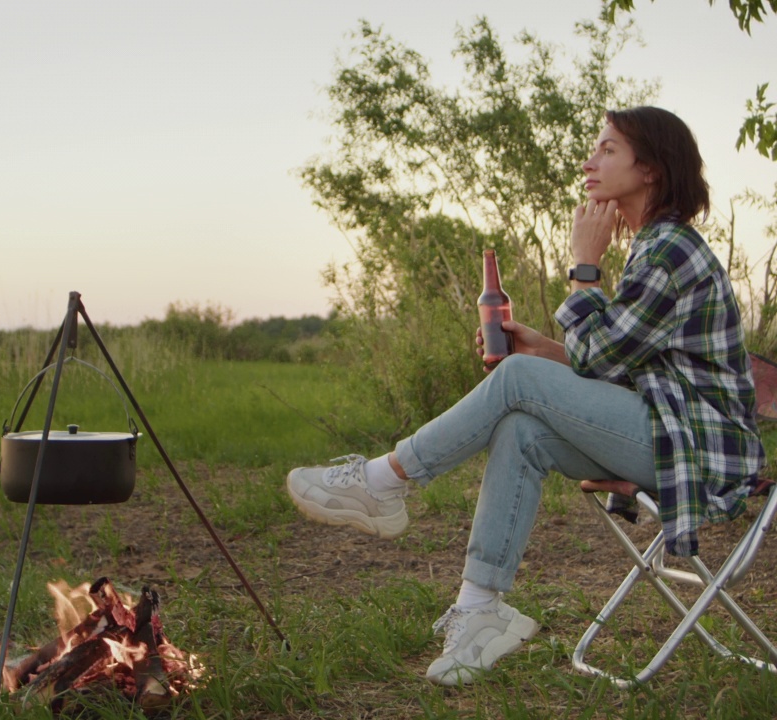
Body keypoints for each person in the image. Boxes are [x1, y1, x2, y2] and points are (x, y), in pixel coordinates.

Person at [286, 106, 767, 686]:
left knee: (515, 382)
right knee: (522, 429)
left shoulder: (671, 250)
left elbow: (605, 358)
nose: (590, 162)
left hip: (700, 451)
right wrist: (547, 350)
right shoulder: (652, 247)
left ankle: (383, 482)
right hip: (667, 430)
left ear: (652, 169)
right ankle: (480, 608)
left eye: (609, 149)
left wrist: (584, 267)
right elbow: (625, 366)